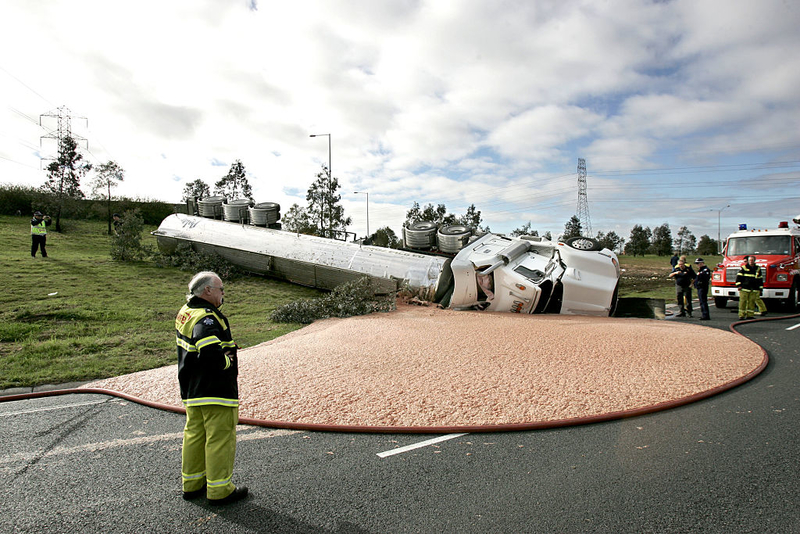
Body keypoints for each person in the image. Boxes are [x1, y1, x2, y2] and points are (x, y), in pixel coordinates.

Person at [176, 271, 248, 505]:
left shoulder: (185, 313)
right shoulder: (207, 318)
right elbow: (208, 351)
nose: (223, 293)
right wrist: (227, 362)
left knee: (194, 435)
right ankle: (220, 490)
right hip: (215, 390)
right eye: (220, 288)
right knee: (220, 438)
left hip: (192, 389)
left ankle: (192, 484)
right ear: (207, 290)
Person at [735, 255, 763, 320]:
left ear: (754, 261)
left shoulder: (758, 268)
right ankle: (741, 315)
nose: (751, 261)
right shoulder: (744, 268)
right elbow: (738, 277)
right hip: (744, 288)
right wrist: (739, 286)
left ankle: (750, 315)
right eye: (750, 260)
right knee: (743, 302)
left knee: (751, 302)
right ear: (748, 261)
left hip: (754, 288)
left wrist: (760, 288)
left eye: (752, 260)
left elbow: (760, 279)